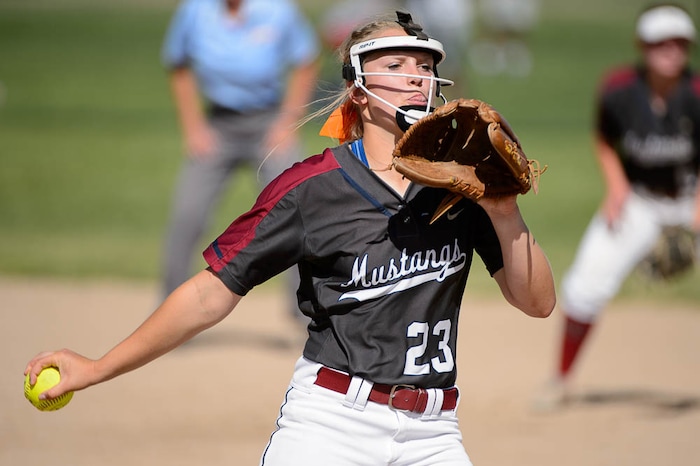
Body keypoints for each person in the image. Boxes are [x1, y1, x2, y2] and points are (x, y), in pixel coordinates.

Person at [25, 12, 555, 465]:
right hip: (330, 427)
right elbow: (211, 293)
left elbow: (538, 303)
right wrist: (97, 368)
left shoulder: (465, 183)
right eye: (395, 66)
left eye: (424, 67)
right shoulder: (311, 188)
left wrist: (504, 213)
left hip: (434, 434)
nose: (415, 78)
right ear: (358, 89)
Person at [533, 3, 700, 411]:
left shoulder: (696, 93)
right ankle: (562, 378)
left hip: (690, 196)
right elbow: (605, 139)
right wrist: (616, 187)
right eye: (660, 43)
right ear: (642, 47)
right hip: (640, 202)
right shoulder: (619, 89)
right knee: (584, 288)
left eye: (679, 42)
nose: (671, 51)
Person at [160, 0, 320, 319]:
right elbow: (176, 63)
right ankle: (171, 313)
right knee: (188, 213)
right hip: (218, 126)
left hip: (269, 123)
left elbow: (307, 60)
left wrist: (288, 123)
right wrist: (193, 128)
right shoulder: (195, 10)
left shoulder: (278, 10)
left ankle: (307, 313)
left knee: (300, 209)